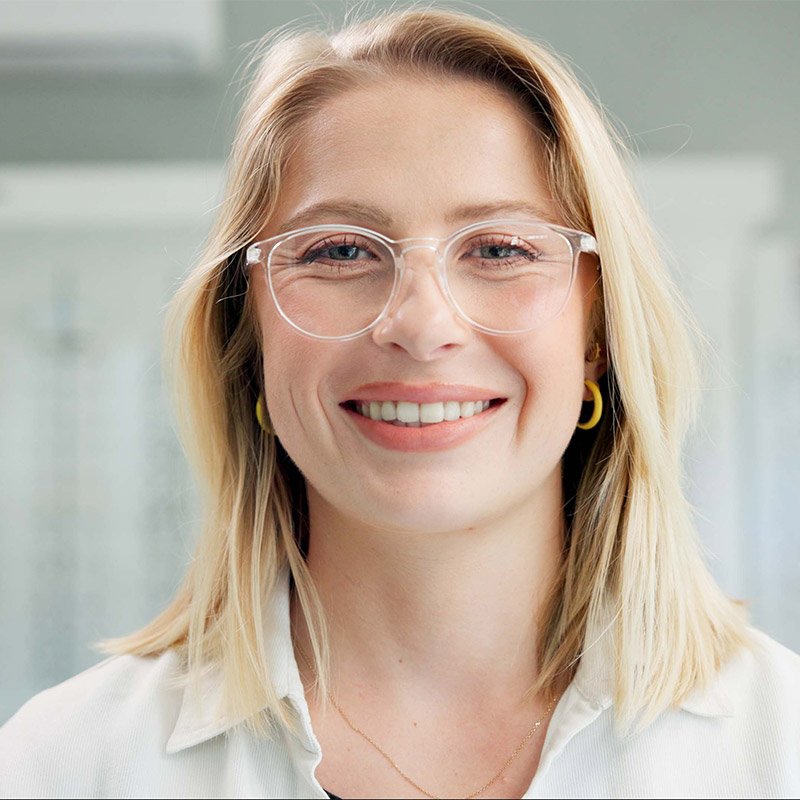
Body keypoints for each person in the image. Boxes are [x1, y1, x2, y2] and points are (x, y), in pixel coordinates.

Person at [2, 5, 799, 799]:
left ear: (597, 332)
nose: (419, 326)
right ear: (249, 341)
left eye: (498, 249)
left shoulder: (779, 746)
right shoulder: (62, 766)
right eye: (340, 250)